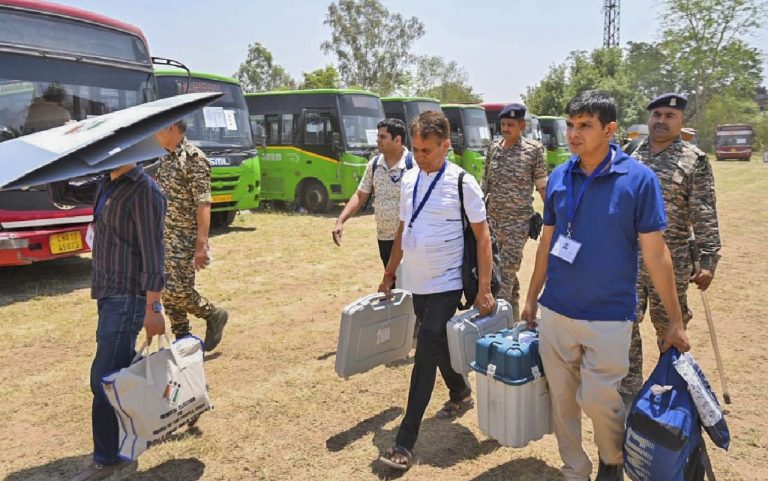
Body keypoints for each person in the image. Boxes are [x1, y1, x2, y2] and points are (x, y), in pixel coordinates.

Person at [520, 90, 691, 481]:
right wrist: (531, 299)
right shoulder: (561, 175)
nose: (574, 134)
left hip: (610, 316)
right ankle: (574, 469)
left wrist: (675, 321)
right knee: (562, 403)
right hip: (557, 311)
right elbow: (547, 242)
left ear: (610, 130)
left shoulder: (639, 180)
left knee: (600, 401)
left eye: (585, 126)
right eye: (570, 125)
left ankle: (611, 460)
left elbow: (656, 255)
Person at [376, 111, 495, 470]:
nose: (420, 155)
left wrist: (485, 288)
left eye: (427, 150)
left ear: (446, 145)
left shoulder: (463, 182)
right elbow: (402, 228)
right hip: (417, 282)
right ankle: (459, 391)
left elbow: (482, 236)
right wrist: (390, 271)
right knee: (438, 340)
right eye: (415, 148)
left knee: (425, 349)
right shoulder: (409, 179)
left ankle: (405, 441)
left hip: (447, 283)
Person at [49, 162, 167, 481]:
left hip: (127, 297)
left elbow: (154, 253)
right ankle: (144, 425)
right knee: (121, 372)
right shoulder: (106, 181)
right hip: (106, 292)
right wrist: (57, 164)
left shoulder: (145, 191)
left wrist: (154, 307)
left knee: (103, 379)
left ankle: (107, 458)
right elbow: (65, 194)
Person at [619, 93, 721, 404]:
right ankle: (628, 392)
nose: (662, 121)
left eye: (670, 116)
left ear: (682, 122)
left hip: (672, 256)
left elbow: (704, 210)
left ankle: (670, 391)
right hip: (628, 257)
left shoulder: (694, 160)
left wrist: (708, 258)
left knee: (670, 329)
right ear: (649, 119)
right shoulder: (629, 154)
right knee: (625, 323)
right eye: (657, 115)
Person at [155, 121, 228, 351]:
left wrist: (201, 244)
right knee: (166, 291)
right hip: (164, 235)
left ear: (171, 128)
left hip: (185, 237)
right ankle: (183, 339)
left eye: (158, 128)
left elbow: (204, 203)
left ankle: (213, 314)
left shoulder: (194, 158)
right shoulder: (165, 159)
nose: (154, 134)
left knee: (180, 291)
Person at [483, 102, 548, 322]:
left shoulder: (534, 150)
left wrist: (555, 215)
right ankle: (513, 320)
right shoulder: (494, 148)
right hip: (492, 222)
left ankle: (497, 328)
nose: (506, 128)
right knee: (502, 273)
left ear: (522, 125)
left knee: (504, 277)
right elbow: (485, 183)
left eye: (511, 124)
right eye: (503, 124)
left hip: (517, 225)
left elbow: (542, 186)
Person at [332, 118, 412, 268]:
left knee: (409, 284)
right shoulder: (374, 164)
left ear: (398, 139)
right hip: (384, 238)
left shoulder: (413, 165)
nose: (377, 140)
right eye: (377, 136)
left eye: (383, 137)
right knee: (393, 284)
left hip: (408, 239)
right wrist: (340, 221)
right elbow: (360, 195)